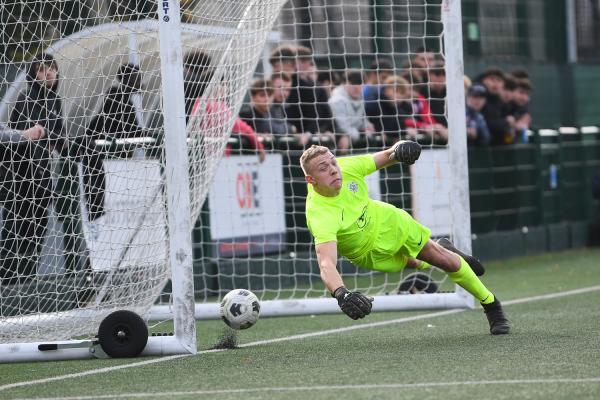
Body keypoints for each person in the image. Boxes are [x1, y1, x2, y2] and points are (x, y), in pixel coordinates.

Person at [300, 142, 510, 334]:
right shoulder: (319, 215)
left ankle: (491, 305)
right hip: (368, 255)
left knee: (443, 261)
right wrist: (341, 294)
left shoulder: (348, 167)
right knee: (417, 262)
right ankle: (444, 247)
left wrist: (402, 149)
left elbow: (389, 153)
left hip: (390, 223)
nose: (333, 169)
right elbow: (326, 263)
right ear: (311, 180)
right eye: (323, 168)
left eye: (333, 162)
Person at [3, 52, 66, 283]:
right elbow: (27, 137)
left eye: (50, 67)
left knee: (35, 239)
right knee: (14, 239)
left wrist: (51, 137)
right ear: (32, 74)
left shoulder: (55, 101)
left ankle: (26, 285)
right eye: (40, 69)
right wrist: (45, 136)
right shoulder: (26, 98)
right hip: (21, 184)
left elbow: (59, 138)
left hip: (41, 183)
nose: (47, 72)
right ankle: (7, 288)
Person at [88, 63, 145, 139]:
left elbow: (130, 128)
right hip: (95, 138)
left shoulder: (126, 101)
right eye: (137, 80)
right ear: (126, 80)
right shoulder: (115, 96)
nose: (141, 84)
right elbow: (118, 126)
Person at [328, 70, 375, 153]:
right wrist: (355, 134)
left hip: (354, 140)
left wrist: (367, 126)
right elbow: (342, 126)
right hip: (336, 142)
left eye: (360, 83)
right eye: (352, 83)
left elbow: (361, 120)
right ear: (344, 83)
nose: (357, 87)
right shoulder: (337, 100)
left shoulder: (361, 98)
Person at [364, 75, 414, 145]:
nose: (399, 96)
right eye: (396, 91)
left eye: (402, 93)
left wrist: (406, 129)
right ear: (388, 89)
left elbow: (398, 123)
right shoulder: (373, 102)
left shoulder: (397, 106)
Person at [476, 68, 510, 146]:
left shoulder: (502, 103)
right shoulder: (477, 98)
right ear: (483, 80)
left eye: (499, 80)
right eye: (492, 79)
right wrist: (506, 123)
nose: (496, 83)